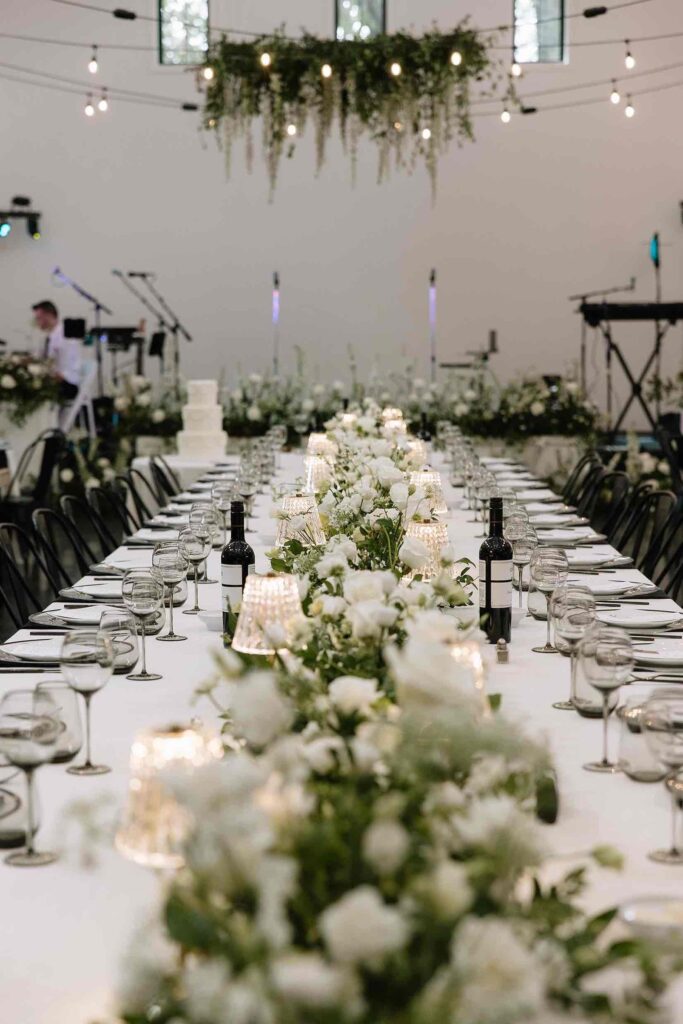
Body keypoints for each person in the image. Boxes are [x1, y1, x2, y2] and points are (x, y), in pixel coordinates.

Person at [32, 300, 81, 403]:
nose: (36, 322)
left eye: (38, 318)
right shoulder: (48, 337)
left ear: (49, 315)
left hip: (67, 383)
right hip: (54, 379)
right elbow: (40, 358)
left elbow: (67, 366)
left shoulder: (65, 335)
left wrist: (52, 376)